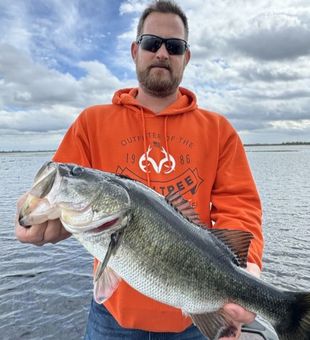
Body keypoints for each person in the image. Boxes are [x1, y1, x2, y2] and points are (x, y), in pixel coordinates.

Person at [15, 1, 263, 339]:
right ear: (135, 51)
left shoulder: (219, 131)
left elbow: (239, 208)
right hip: (111, 320)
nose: (162, 52)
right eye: (151, 43)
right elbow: (59, 199)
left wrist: (249, 274)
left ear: (186, 58)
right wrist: (36, 214)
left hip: (193, 320)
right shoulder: (92, 123)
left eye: (174, 46)